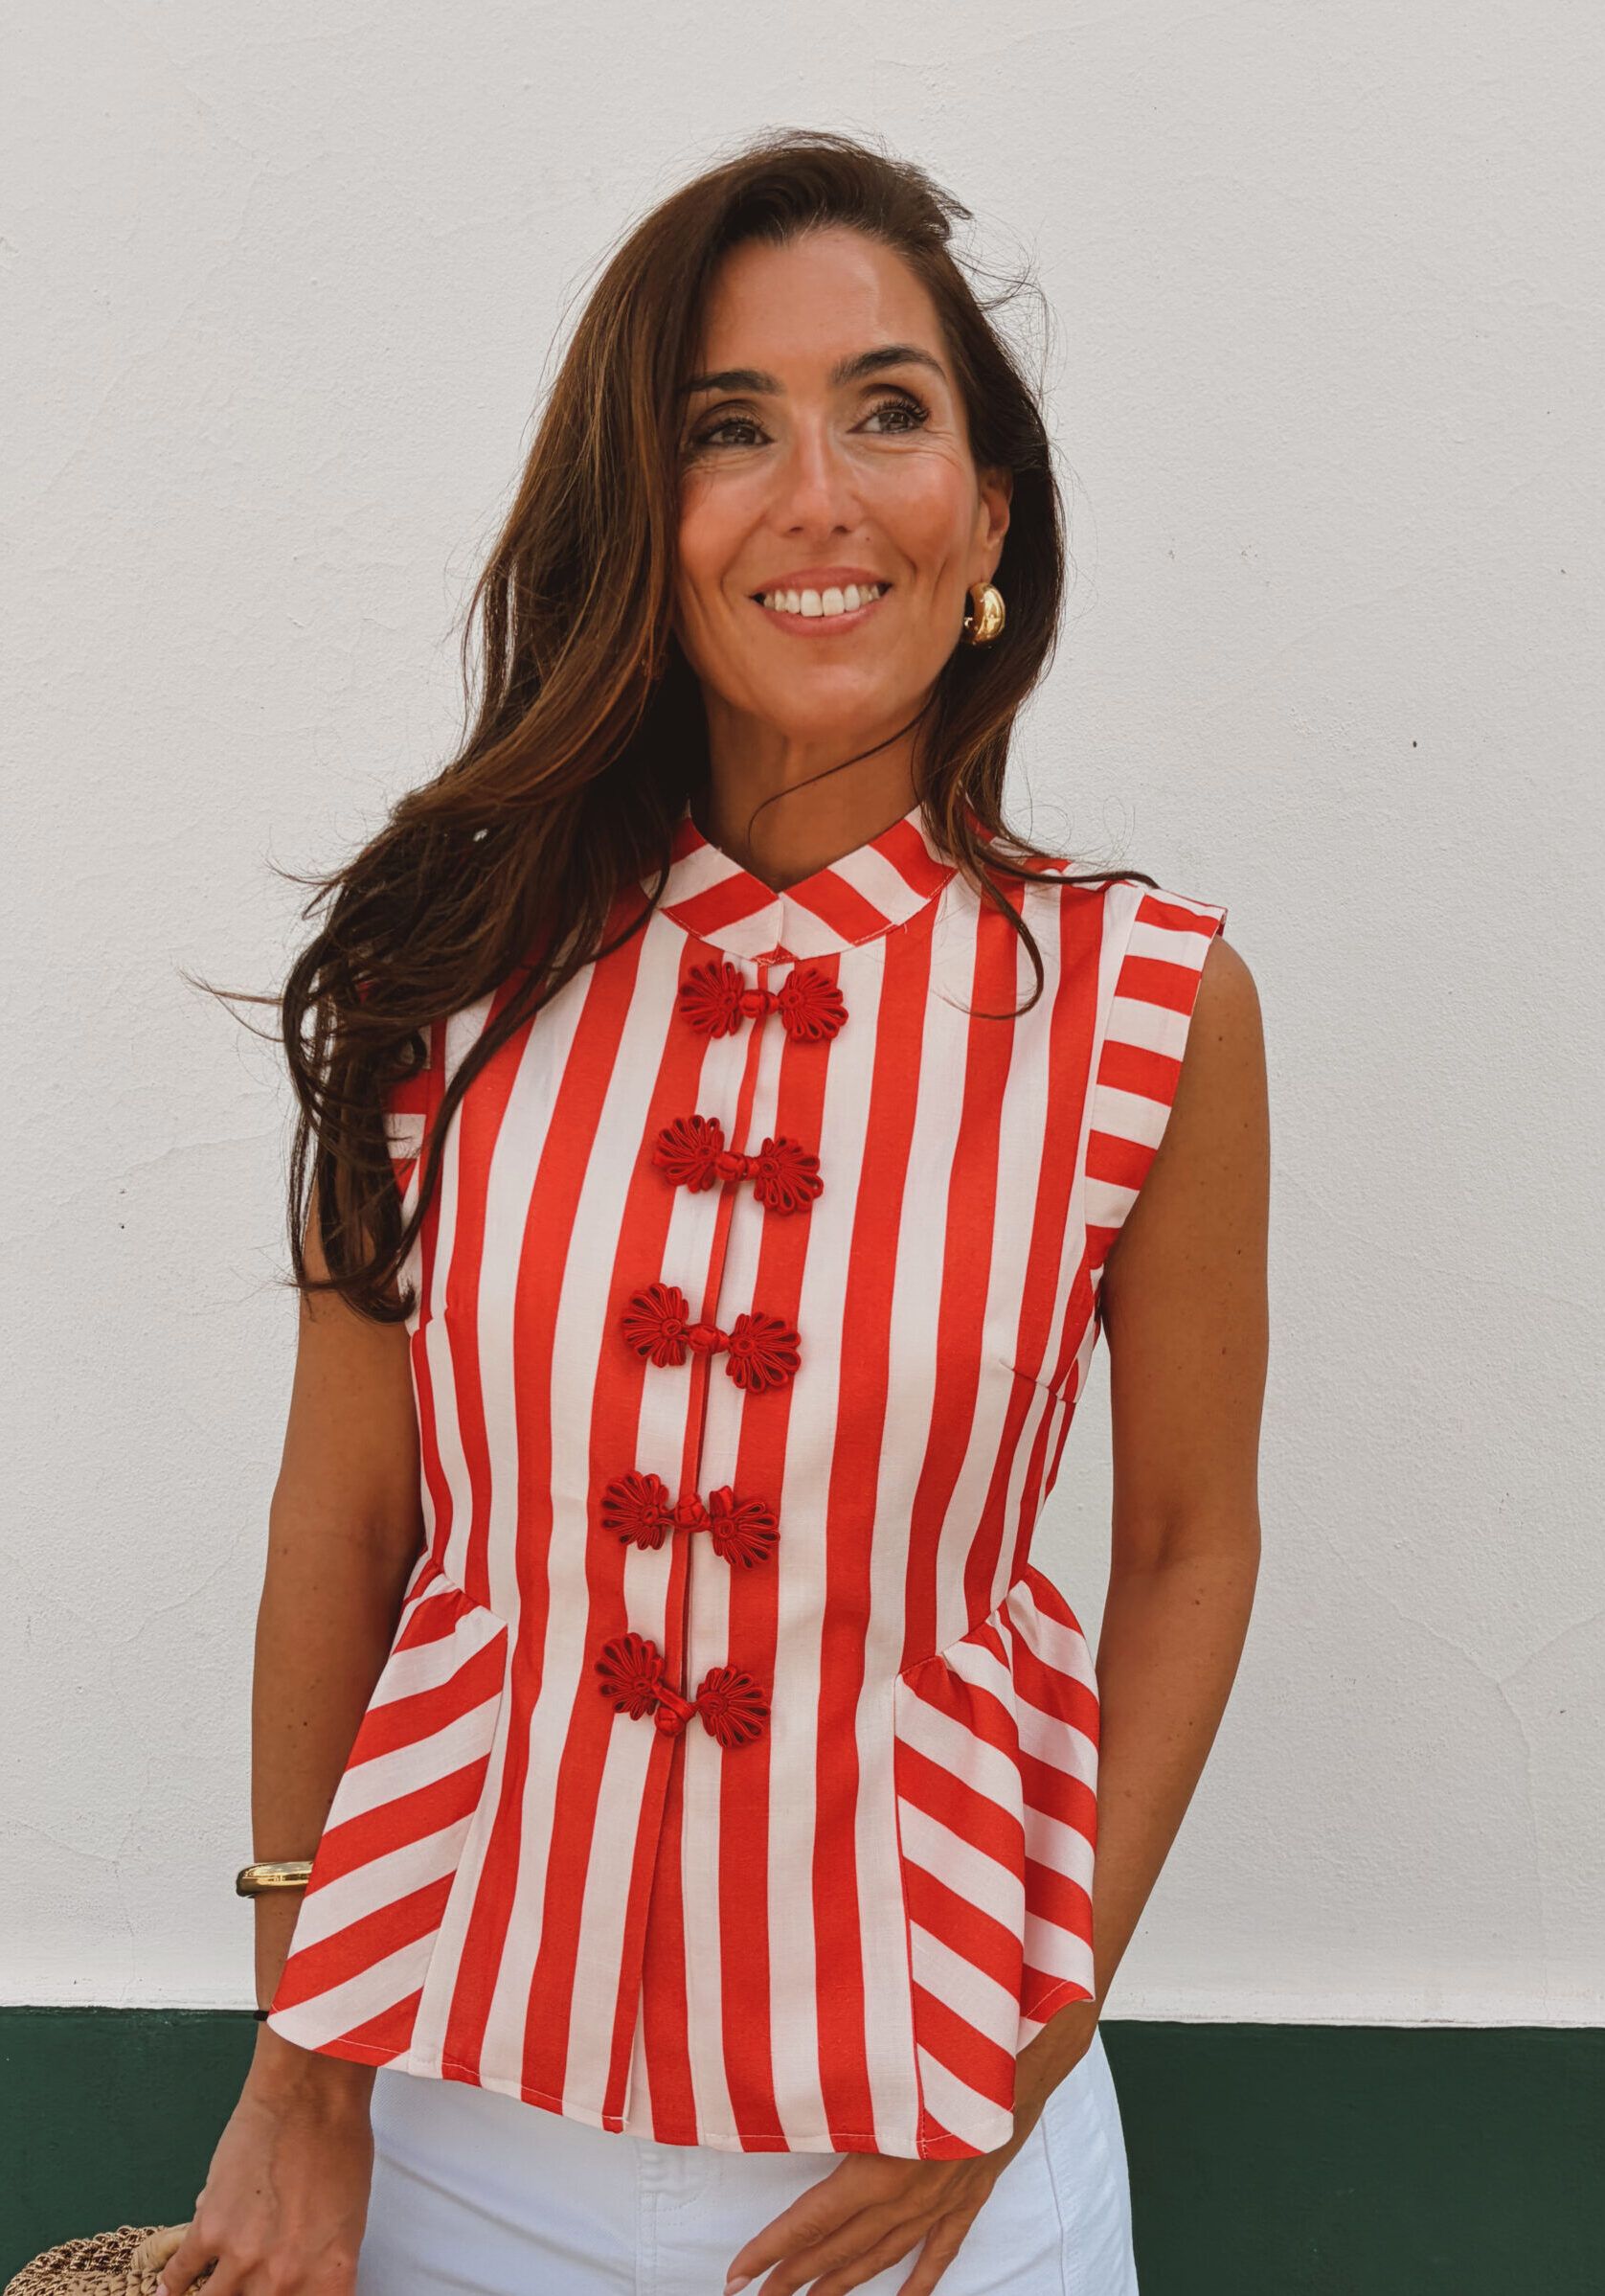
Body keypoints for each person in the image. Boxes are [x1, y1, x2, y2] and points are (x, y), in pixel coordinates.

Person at [163, 129, 1268, 2296]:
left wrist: (1031, 2046)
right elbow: (343, 1525)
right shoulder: (441, 974)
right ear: (641, 520)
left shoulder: (1149, 1006)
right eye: (727, 428)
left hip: (937, 2161)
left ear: (989, 514)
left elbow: (1184, 1545)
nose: (817, 495)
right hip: (453, 2141)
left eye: (888, 410)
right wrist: (296, 2070)